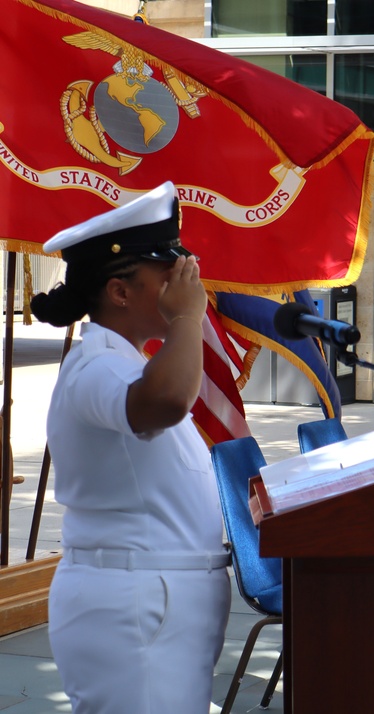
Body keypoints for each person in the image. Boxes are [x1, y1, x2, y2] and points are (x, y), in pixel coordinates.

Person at [31, 182, 231, 713]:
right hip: (132, 608)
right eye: (169, 273)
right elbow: (165, 401)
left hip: (156, 605)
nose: (185, 282)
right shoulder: (95, 364)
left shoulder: (130, 363)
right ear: (121, 292)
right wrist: (188, 319)